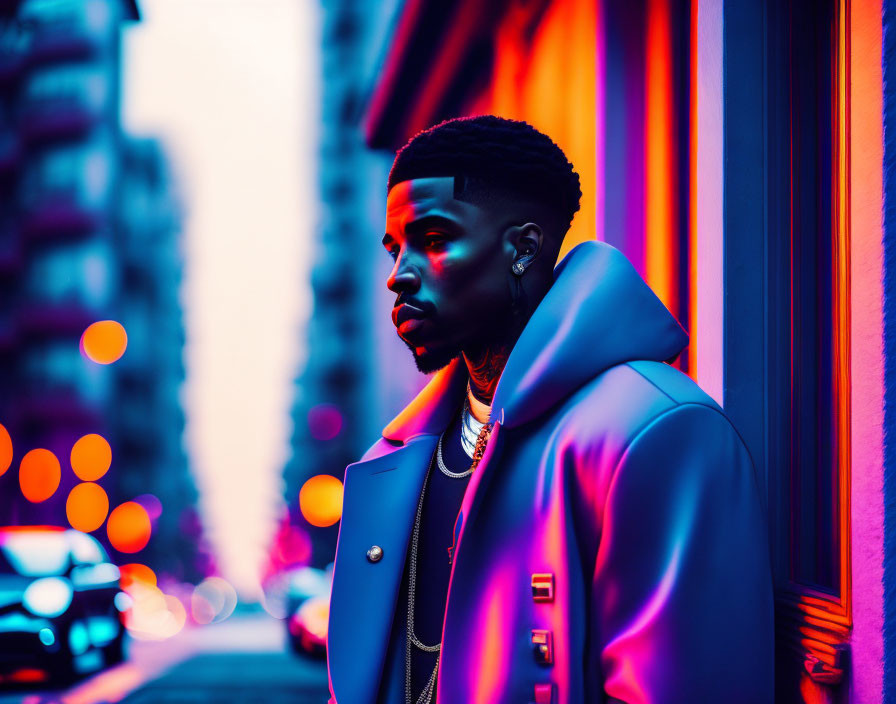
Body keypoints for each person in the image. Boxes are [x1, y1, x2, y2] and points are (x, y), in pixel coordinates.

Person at [326, 115, 773, 704]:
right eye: (394, 249)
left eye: (433, 241)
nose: (399, 277)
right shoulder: (400, 455)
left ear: (523, 249)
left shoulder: (656, 430)